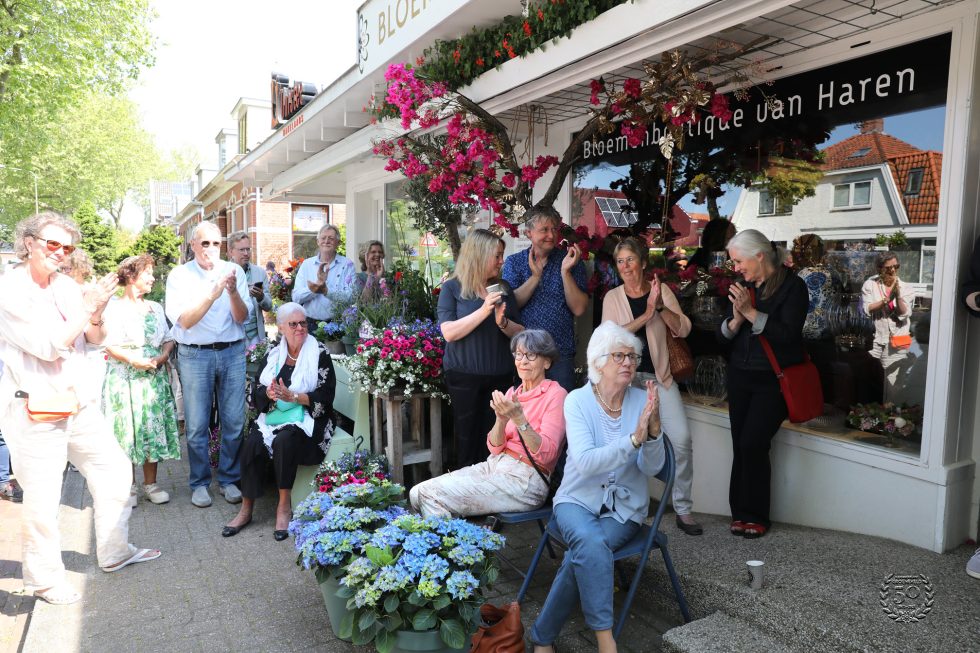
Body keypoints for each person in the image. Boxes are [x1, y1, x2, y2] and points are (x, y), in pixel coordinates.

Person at [0, 212, 160, 605]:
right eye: (52, 244)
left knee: (115, 469)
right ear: (29, 242)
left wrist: (98, 312)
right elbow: (47, 344)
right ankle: (44, 580)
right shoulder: (10, 290)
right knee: (42, 498)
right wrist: (84, 308)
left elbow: (96, 338)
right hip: (34, 408)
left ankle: (114, 550)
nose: (60, 253)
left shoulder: (66, 286)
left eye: (67, 247)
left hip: (78, 402)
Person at [529, 321, 665, 653]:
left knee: (586, 549)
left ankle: (541, 637)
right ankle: (606, 640)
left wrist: (655, 431)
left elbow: (653, 467)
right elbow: (587, 462)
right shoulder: (577, 401)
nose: (629, 364)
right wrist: (634, 439)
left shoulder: (639, 400)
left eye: (633, 357)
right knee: (589, 542)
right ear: (598, 362)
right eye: (620, 356)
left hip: (624, 509)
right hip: (576, 500)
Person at [601, 237, 700, 536]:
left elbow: (683, 328)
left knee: (681, 440)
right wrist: (645, 315)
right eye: (620, 261)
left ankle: (682, 507)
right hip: (625, 383)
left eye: (630, 259)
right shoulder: (612, 298)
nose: (626, 266)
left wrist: (658, 308)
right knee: (626, 444)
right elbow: (609, 338)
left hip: (659, 378)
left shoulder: (662, 291)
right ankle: (625, 507)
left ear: (644, 262)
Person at [410, 330, 567, 517]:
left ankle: (453, 542)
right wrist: (501, 420)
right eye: (519, 354)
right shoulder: (512, 393)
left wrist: (519, 419)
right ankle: (459, 540)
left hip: (526, 479)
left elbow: (547, 456)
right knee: (415, 493)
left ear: (547, 361)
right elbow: (494, 447)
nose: (523, 361)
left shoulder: (556, 394)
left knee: (430, 495)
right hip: (495, 465)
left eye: (531, 355)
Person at [717, 229, 808, 539]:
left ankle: (757, 516)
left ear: (759, 255)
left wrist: (751, 313)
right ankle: (740, 513)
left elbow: (788, 335)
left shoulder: (793, 287)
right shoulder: (742, 287)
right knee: (740, 445)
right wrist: (736, 321)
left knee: (753, 443)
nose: (736, 268)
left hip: (773, 380)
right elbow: (724, 336)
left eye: (739, 261)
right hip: (740, 377)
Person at [222, 302, 336, 540]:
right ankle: (246, 508)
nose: (300, 328)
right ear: (282, 328)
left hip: (309, 421)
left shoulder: (320, 353)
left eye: (303, 323)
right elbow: (256, 391)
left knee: (285, 440)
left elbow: (326, 398)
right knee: (252, 442)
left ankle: (284, 506)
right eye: (293, 324)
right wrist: (270, 394)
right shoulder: (275, 352)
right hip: (275, 416)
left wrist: (294, 396)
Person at [165, 222, 249, 508]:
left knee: (235, 421)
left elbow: (241, 318)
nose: (211, 249)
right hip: (195, 355)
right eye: (205, 243)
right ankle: (199, 483)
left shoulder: (233, 271)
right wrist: (212, 295)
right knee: (197, 424)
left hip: (232, 352)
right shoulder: (179, 276)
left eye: (216, 243)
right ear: (193, 246)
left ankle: (228, 478)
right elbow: (185, 321)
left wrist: (234, 292)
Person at [438, 229, 524, 468]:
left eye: (501, 255)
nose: (501, 261)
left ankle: (491, 490)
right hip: (464, 379)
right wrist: (484, 310)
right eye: (496, 256)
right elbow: (449, 332)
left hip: (500, 377)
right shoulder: (453, 288)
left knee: (496, 438)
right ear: (479, 255)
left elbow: (521, 333)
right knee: (466, 438)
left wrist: (503, 323)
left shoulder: (502, 287)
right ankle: (463, 492)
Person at [102, 254, 180, 506]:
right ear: (132, 276)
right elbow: (108, 344)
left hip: (153, 378)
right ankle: (128, 487)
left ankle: (151, 484)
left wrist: (165, 354)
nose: (152, 278)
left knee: (152, 428)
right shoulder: (113, 307)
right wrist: (133, 360)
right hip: (124, 379)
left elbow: (169, 337)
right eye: (148, 273)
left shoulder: (155, 308)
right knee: (125, 430)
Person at [502, 207, 588, 392]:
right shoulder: (514, 262)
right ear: (528, 233)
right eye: (544, 230)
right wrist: (534, 277)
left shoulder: (570, 261)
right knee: (525, 412)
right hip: (525, 354)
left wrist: (565, 273)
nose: (551, 235)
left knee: (561, 413)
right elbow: (510, 306)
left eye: (554, 229)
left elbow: (579, 309)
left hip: (560, 354)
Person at [862, 252, 915, 403]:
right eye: (888, 268)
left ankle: (892, 416)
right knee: (871, 379)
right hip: (876, 339)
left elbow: (904, 313)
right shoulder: (870, 284)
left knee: (893, 382)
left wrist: (897, 296)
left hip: (899, 339)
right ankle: (871, 414)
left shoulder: (906, 287)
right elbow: (867, 309)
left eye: (895, 267)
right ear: (879, 269)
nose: (892, 270)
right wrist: (885, 301)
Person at [291, 224, 356, 332]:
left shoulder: (347, 265)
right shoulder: (307, 264)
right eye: (323, 238)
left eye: (331, 238)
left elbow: (351, 297)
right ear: (318, 241)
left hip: (339, 325)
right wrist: (314, 289)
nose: (326, 241)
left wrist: (327, 291)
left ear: (338, 243)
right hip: (309, 324)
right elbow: (296, 297)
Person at [792, 234, 841, 341]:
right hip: (828, 328)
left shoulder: (801, 273)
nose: (796, 253)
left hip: (804, 329)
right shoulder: (832, 273)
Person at [227, 231, 272, 348]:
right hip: (232, 335)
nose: (246, 253)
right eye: (242, 250)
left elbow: (269, 306)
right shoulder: (223, 273)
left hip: (255, 336)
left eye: (248, 249)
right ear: (231, 252)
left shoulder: (260, 273)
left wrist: (261, 297)